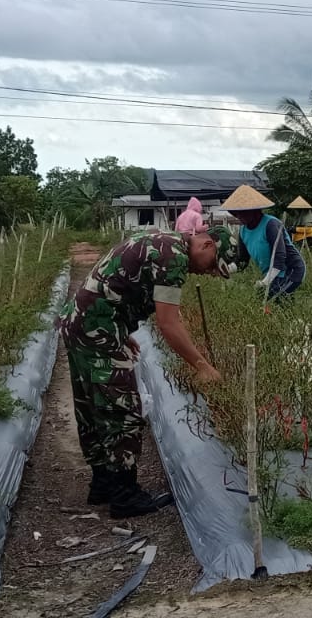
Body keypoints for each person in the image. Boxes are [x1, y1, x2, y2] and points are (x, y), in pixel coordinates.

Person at [57, 222, 233, 518]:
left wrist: (119, 330)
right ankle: (125, 497)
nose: (209, 273)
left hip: (85, 322)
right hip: (96, 327)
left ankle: (103, 484)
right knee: (121, 408)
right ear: (206, 245)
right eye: (214, 265)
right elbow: (168, 323)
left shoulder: (162, 241)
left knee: (91, 404)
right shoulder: (174, 257)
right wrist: (202, 365)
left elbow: (113, 283)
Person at [222, 185, 306, 301]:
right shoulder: (243, 231)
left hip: (290, 270)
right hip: (272, 273)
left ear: (254, 210)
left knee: (275, 297)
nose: (239, 216)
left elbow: (280, 257)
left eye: (243, 212)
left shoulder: (271, 225)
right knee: (269, 299)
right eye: (237, 213)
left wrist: (265, 282)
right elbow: (243, 260)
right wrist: (227, 269)